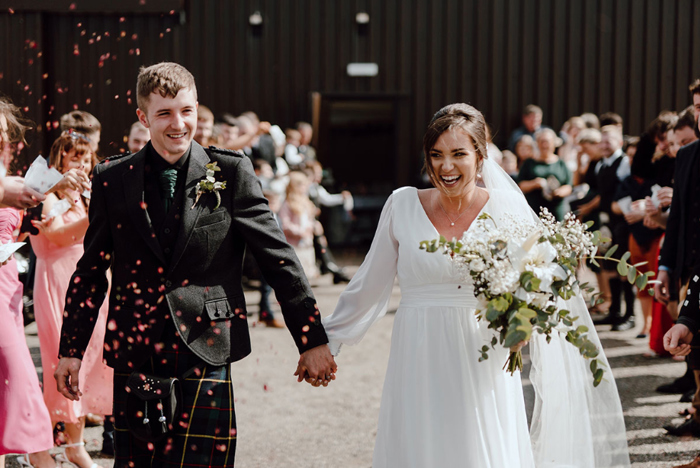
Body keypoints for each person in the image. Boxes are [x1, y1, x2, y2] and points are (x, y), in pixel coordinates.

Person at [53, 62, 336, 467]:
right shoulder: (112, 179)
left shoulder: (231, 171)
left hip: (207, 345)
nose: (178, 124)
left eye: (186, 111)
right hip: (137, 350)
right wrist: (71, 349)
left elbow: (278, 257)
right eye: (164, 113)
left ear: (197, 108)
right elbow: (91, 270)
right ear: (143, 117)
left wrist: (310, 338)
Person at [323, 103, 630, 467]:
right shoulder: (402, 204)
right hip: (417, 354)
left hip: (483, 354)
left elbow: (547, 280)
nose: (446, 166)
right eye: (436, 155)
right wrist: (324, 341)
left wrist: (524, 322)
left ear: (481, 157)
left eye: (458, 154)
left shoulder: (507, 207)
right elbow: (368, 284)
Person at [31, 130, 112, 468]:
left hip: (87, 282)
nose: (79, 162)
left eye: (84, 155)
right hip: (56, 282)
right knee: (58, 362)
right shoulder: (47, 194)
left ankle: (73, 443)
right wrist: (96, 217)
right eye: (72, 155)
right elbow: (55, 233)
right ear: (59, 158)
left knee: (90, 359)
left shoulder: (85, 194)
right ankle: (39, 444)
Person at [0, 96, 55, 468]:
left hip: (7, 285)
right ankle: (40, 455)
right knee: (15, 370)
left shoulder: (5, 168)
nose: (2, 141)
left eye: (4, 134)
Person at [658, 79, 700, 437]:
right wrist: (665, 266)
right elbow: (678, 219)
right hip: (691, 269)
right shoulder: (688, 156)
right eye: (699, 108)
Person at [517, 128, 572, 220]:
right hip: (535, 209)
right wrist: (535, 183)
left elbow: (569, 186)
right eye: (542, 142)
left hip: (557, 210)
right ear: (537, 143)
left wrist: (560, 192)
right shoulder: (529, 163)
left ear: (554, 143)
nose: (545, 145)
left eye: (547, 142)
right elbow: (520, 185)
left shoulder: (561, 164)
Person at [278, 171, 319, 279]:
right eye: (302, 185)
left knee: (307, 274)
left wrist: (312, 227)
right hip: (295, 244)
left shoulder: (306, 201)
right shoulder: (287, 204)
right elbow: (285, 225)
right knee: (297, 274)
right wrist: (300, 232)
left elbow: (309, 220)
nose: (305, 188)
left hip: (306, 243)